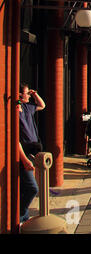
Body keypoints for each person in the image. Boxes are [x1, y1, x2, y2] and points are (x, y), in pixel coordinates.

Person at [18, 84, 45, 223]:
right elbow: (15, 140)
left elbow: (42, 105)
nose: (28, 95)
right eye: (26, 93)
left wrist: (34, 94)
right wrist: (25, 159)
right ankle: (19, 215)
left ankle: (24, 217)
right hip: (24, 153)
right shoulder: (15, 112)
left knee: (24, 188)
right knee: (32, 188)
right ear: (19, 95)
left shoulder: (28, 107)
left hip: (32, 151)